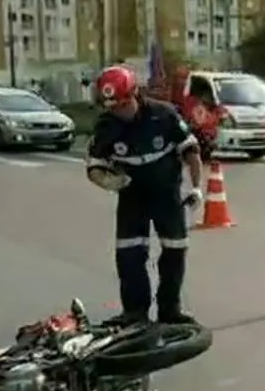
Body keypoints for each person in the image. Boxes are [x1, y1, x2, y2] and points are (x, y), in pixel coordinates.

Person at [85, 65, 204, 325]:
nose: (120, 112)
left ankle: (170, 310)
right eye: (113, 107)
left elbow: (191, 151)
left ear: (135, 93)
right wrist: (108, 181)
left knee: (174, 251)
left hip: (167, 195)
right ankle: (135, 313)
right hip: (132, 197)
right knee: (129, 255)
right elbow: (94, 166)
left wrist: (195, 186)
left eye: (124, 104)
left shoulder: (163, 115)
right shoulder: (106, 127)